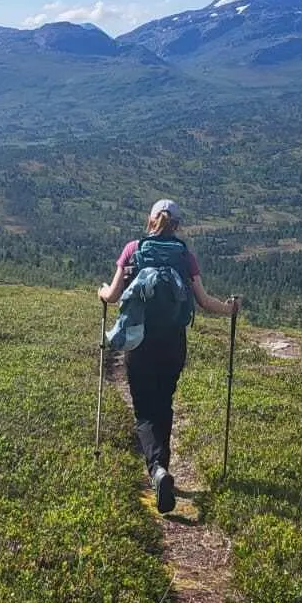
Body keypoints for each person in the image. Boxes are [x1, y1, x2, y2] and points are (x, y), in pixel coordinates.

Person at [99, 198, 238, 514]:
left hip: (139, 342)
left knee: (144, 410)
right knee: (164, 403)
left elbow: (113, 295)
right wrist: (230, 309)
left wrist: (100, 291)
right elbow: (203, 301)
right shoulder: (184, 256)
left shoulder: (133, 250)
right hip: (174, 344)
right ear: (177, 226)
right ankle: (162, 465)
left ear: (151, 221)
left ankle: (157, 469)